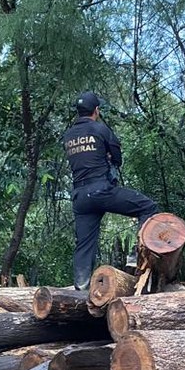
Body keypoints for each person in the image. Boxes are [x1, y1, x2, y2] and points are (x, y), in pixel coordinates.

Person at [63, 91, 158, 290]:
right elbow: (117, 156)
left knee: (84, 245)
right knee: (147, 206)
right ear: (96, 110)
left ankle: (81, 288)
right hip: (101, 190)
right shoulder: (100, 128)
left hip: (80, 197)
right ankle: (137, 256)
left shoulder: (69, 135)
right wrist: (109, 158)